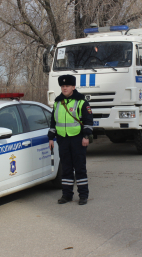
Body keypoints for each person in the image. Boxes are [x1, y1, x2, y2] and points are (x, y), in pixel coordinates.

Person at [48, 75, 93, 205]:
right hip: (63, 140)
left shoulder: (81, 102)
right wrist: (51, 137)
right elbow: (53, 122)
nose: (64, 88)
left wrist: (86, 136)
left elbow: (88, 121)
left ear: (73, 87)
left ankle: (83, 195)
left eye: (67, 86)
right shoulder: (57, 102)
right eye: (62, 86)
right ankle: (66, 195)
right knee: (66, 169)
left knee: (80, 168)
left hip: (78, 139)